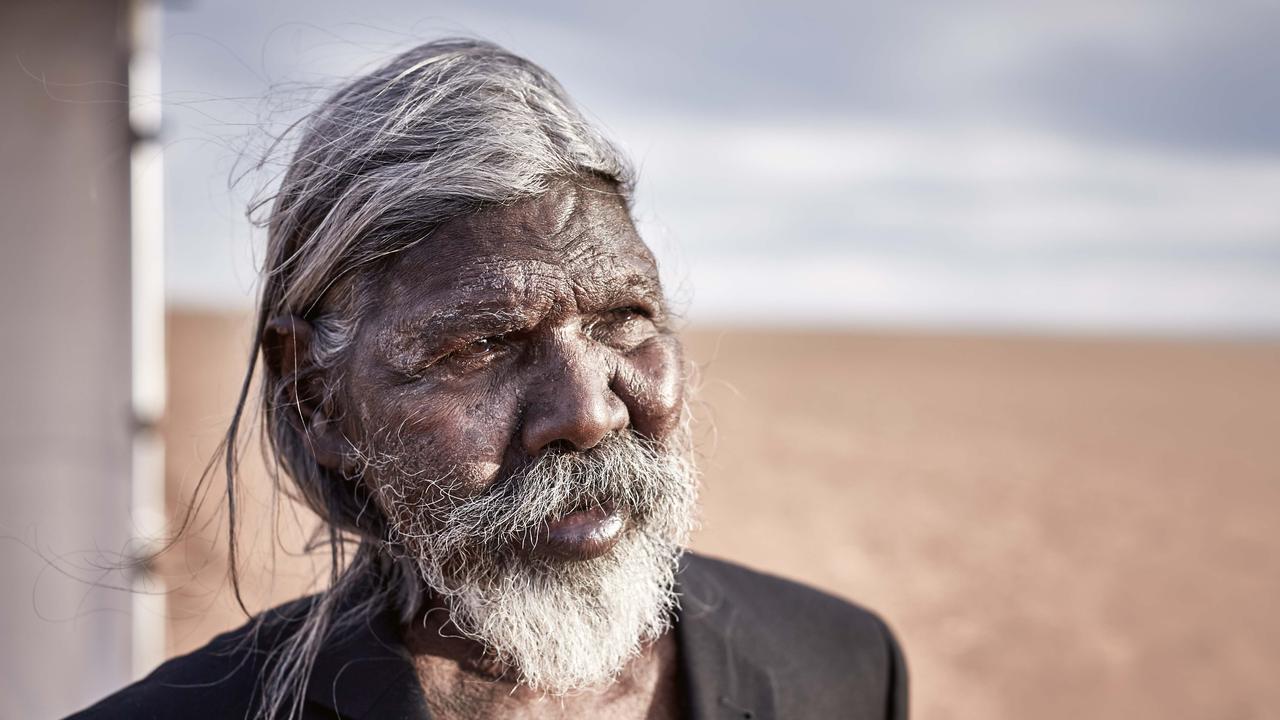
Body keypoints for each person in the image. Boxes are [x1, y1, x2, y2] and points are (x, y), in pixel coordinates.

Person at [68, 39, 907, 720]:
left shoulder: (840, 667)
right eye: (483, 345)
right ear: (317, 397)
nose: (587, 413)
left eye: (625, 320)